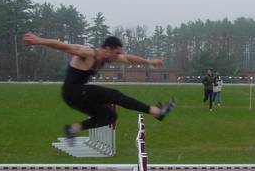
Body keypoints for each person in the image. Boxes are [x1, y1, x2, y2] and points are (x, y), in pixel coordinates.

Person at [23, 33, 175, 145]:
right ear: (107, 49)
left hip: (77, 98)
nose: (118, 58)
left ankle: (73, 129)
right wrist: (39, 41)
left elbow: (129, 58)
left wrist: (149, 62)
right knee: (114, 95)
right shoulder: (88, 53)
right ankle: (156, 112)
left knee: (110, 116)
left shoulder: (107, 57)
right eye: (116, 53)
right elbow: (63, 46)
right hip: (73, 92)